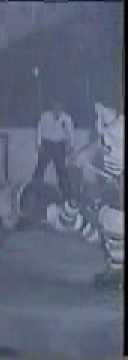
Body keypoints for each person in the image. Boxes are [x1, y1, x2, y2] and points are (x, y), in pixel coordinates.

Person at [57, 101, 124, 289]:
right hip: (114, 180)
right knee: (105, 216)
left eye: (102, 106)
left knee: (112, 217)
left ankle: (117, 269)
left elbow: (101, 147)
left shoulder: (119, 128)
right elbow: (100, 146)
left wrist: (83, 156)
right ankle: (116, 266)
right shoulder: (108, 125)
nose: (97, 110)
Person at [32, 100, 74, 200]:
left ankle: (66, 195)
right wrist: (38, 144)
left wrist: (71, 146)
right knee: (40, 169)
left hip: (59, 146)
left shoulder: (66, 118)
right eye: (55, 106)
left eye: (59, 107)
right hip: (47, 144)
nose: (57, 109)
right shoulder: (45, 116)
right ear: (52, 107)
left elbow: (71, 133)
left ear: (62, 108)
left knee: (62, 171)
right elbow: (39, 129)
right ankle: (34, 191)